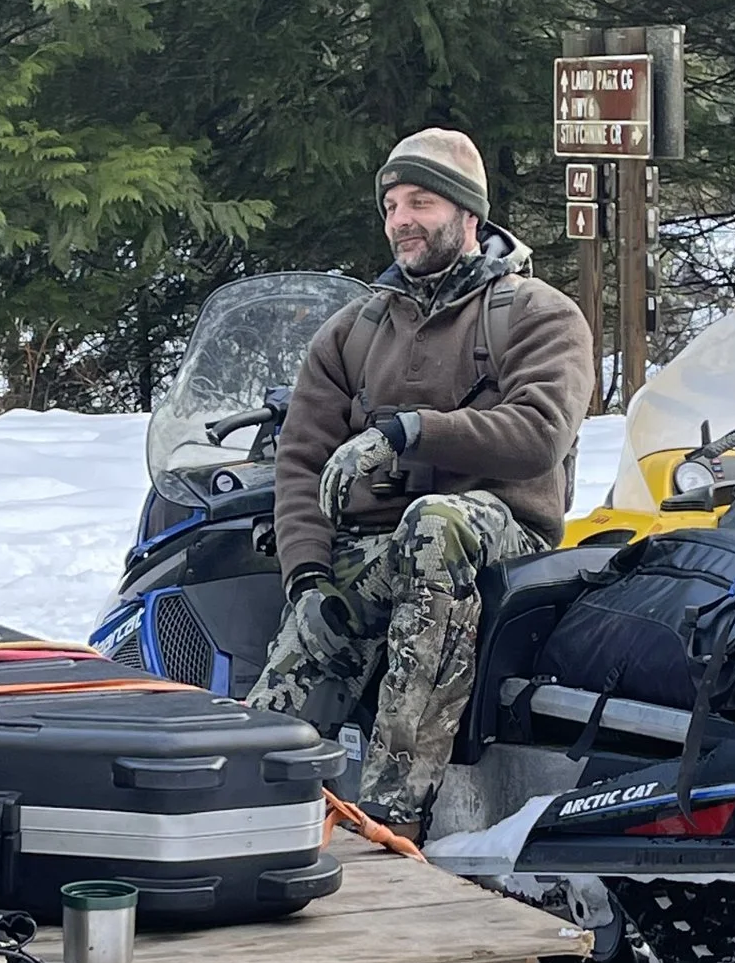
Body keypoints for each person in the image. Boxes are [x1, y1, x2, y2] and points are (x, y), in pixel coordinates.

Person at [250, 128, 595, 839]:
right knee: (317, 620)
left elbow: (540, 431)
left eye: (422, 201)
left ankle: (392, 814)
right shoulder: (353, 331)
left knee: (436, 521)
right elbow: (301, 460)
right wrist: (308, 578)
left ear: (469, 215)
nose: (401, 219)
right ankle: (251, 812)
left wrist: (413, 429)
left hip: (498, 534)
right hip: (381, 548)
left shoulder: (538, 313)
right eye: (391, 205)